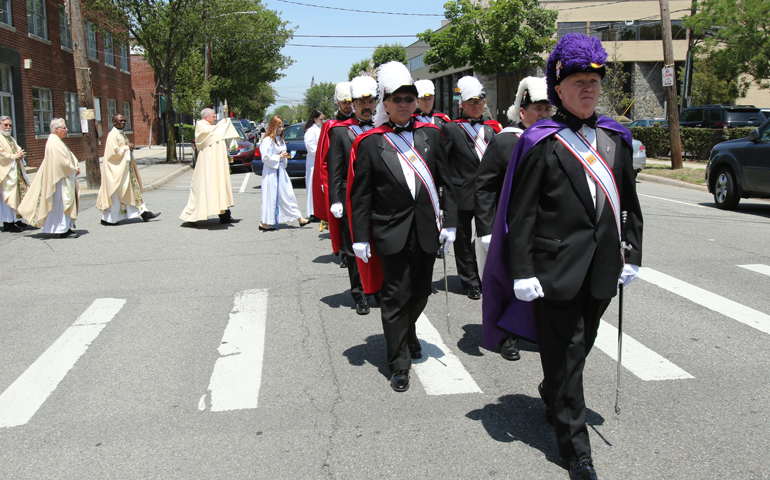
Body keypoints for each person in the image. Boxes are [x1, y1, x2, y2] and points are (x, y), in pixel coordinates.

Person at [482, 34, 643, 480]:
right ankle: (576, 451)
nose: (588, 89)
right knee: (568, 358)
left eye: (593, 80)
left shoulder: (616, 139)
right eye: (577, 81)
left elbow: (629, 203)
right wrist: (522, 271)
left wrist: (635, 254)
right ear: (559, 87)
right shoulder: (542, 141)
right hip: (554, 270)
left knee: (580, 348)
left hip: (602, 269)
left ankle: (553, 389)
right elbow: (522, 212)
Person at [348, 61, 457, 392]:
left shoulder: (433, 136)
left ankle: (407, 332)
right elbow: (361, 195)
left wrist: (450, 222)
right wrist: (360, 237)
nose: (404, 105)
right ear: (385, 104)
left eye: (410, 99)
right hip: (390, 231)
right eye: (397, 99)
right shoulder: (370, 142)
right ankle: (398, 362)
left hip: (425, 229)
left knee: (421, 291)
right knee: (395, 296)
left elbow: (447, 184)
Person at [475, 76, 551, 361]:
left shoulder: (556, 139)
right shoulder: (505, 141)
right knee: (505, 283)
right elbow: (484, 186)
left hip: (545, 228)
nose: (543, 115)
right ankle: (505, 336)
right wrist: (485, 228)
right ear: (522, 112)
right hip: (510, 226)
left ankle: (537, 329)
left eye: (547, 109)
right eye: (537, 109)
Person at [441, 76, 502, 300]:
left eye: (479, 101)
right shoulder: (451, 129)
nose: (476, 105)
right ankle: (470, 281)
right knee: (464, 241)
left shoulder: (493, 129)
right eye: (471, 102)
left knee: (489, 237)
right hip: (461, 193)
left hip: (489, 194)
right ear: (462, 104)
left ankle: (489, 276)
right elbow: (444, 165)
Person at [323, 75, 378, 314]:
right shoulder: (339, 132)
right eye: (361, 102)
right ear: (353, 104)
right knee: (354, 248)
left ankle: (379, 288)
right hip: (351, 200)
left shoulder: (382, 127)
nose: (367, 107)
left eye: (371, 102)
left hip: (381, 199)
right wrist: (336, 199)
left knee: (380, 247)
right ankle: (360, 294)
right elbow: (334, 170)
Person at [18, 118, 80, 238]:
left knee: (63, 204)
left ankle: (65, 227)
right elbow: (61, 163)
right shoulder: (53, 142)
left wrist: (74, 167)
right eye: (64, 128)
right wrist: (73, 170)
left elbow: (67, 158)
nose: (66, 130)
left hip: (63, 177)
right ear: (57, 129)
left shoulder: (57, 141)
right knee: (61, 205)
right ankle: (62, 229)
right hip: (59, 179)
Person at [96, 114, 160, 225]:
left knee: (132, 192)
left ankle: (144, 212)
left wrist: (129, 148)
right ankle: (109, 218)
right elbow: (113, 153)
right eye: (120, 120)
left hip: (125, 169)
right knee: (117, 195)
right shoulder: (112, 135)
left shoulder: (121, 134)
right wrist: (127, 148)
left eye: (124, 120)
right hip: (116, 170)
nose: (123, 122)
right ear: (114, 122)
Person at [180, 108, 238, 225]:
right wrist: (224, 124)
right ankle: (191, 217)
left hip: (216, 162)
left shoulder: (215, 129)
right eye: (213, 116)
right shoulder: (202, 126)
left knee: (219, 185)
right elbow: (214, 132)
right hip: (207, 163)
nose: (215, 118)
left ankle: (225, 216)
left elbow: (219, 132)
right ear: (205, 117)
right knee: (203, 188)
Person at [259, 116, 309, 230]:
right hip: (271, 171)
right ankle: (264, 221)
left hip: (280, 169)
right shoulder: (267, 140)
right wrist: (278, 157)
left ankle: (299, 217)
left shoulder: (279, 140)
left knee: (287, 193)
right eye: (279, 126)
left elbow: (281, 154)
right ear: (273, 126)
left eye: (282, 126)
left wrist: (283, 156)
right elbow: (265, 157)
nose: (281, 129)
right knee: (270, 195)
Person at [0, 116, 29, 232]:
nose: (8, 127)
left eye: (10, 125)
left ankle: (17, 219)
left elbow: (17, 148)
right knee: (8, 198)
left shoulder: (11, 138)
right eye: (5, 125)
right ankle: (8, 223)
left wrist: (20, 153)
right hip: (6, 174)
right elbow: (1, 155)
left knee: (18, 196)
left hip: (16, 172)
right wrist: (14, 157)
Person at [303, 109, 325, 222]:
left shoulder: (321, 129)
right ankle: (313, 211)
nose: (322, 121)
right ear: (314, 118)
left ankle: (320, 210)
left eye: (323, 119)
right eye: (320, 119)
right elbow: (311, 147)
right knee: (313, 185)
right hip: (313, 162)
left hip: (321, 162)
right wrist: (323, 150)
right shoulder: (311, 131)